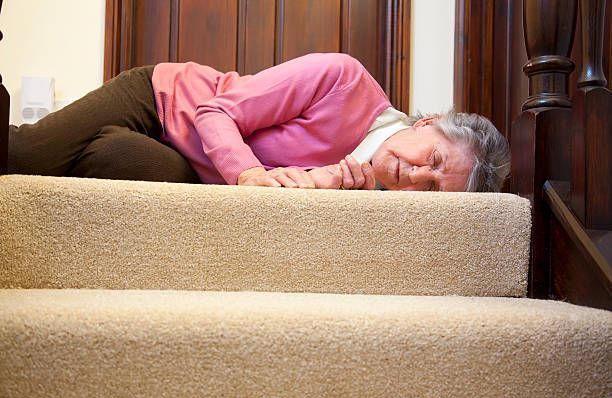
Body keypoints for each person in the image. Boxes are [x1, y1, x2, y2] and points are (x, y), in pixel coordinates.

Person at [8, 53, 510, 192]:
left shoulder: (365, 194)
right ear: (428, 122)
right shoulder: (344, 79)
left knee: (113, 158)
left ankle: (82, 145)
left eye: (430, 190)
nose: (415, 176)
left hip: (190, 170)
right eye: (435, 160)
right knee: (23, 157)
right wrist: (250, 175)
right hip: (162, 101)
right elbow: (215, 110)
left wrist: (332, 191)